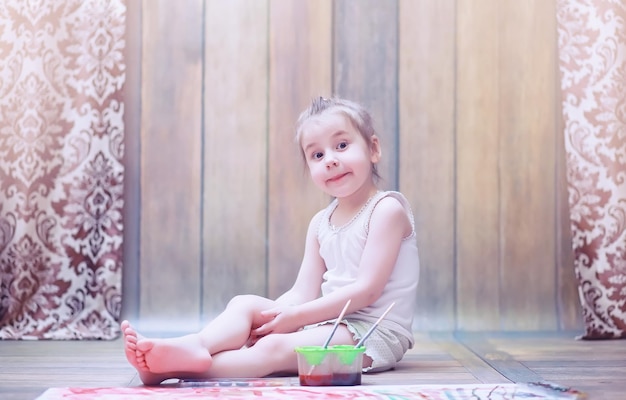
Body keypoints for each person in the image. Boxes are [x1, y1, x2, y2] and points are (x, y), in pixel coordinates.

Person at [121, 96, 420, 385]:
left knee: (271, 350)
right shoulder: (321, 223)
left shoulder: (386, 210)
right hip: (328, 324)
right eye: (317, 154)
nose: (330, 160)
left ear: (373, 149)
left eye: (342, 145)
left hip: (372, 333)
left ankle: (166, 371)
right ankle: (198, 345)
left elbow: (366, 291)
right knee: (245, 305)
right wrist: (269, 320)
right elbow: (302, 292)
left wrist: (293, 320)